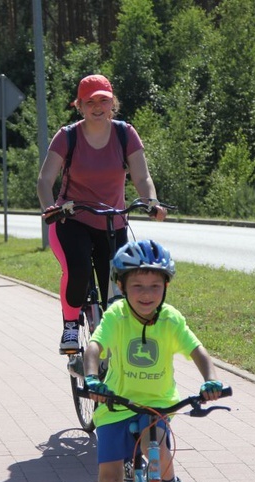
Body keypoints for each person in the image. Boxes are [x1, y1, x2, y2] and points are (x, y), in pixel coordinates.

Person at [83, 240, 223, 482]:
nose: (146, 294)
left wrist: (210, 380)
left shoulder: (170, 319)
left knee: (153, 445)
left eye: (155, 286)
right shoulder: (117, 315)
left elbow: (197, 350)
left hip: (157, 404)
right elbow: (93, 347)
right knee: (110, 478)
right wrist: (91, 378)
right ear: (121, 286)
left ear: (166, 287)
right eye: (137, 286)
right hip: (116, 405)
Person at [37, 74, 167, 353]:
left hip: (113, 221)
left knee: (119, 284)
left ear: (113, 104)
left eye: (103, 100)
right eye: (90, 101)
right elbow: (44, 180)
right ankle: (71, 326)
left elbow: (142, 178)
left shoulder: (125, 134)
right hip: (72, 219)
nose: (97, 106)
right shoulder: (68, 136)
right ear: (79, 106)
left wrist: (151, 202)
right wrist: (50, 208)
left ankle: (115, 341)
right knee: (79, 270)